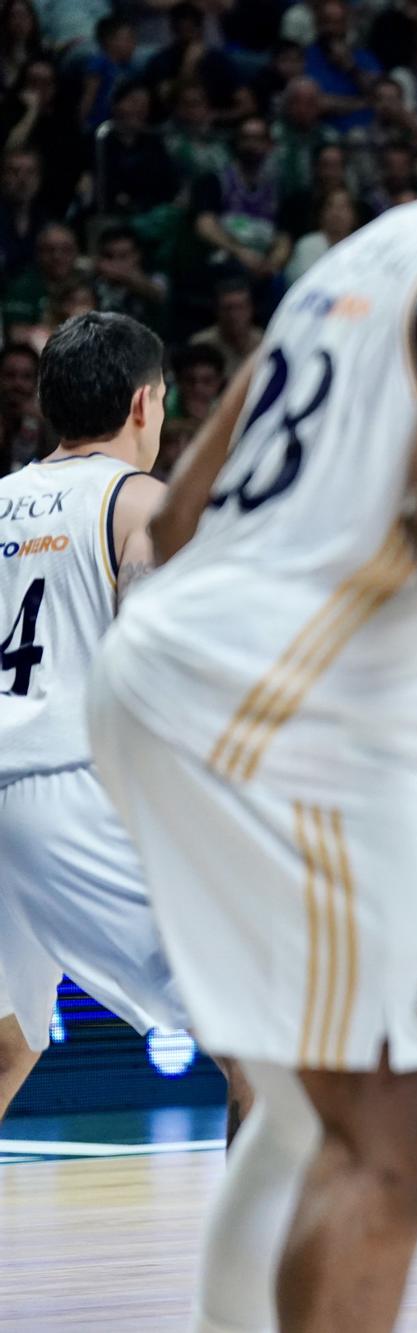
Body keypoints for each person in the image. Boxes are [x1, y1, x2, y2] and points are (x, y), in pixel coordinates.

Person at [85, 20, 417, 1330]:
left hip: (163, 673)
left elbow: (176, 516)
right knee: (401, 1121)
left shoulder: (359, 254)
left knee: (288, 1101)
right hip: (274, 719)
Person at [0, 314, 237, 1124]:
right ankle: (249, 1260)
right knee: (269, 1046)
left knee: (8, 1047)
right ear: (144, 404)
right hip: (70, 790)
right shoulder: (142, 502)